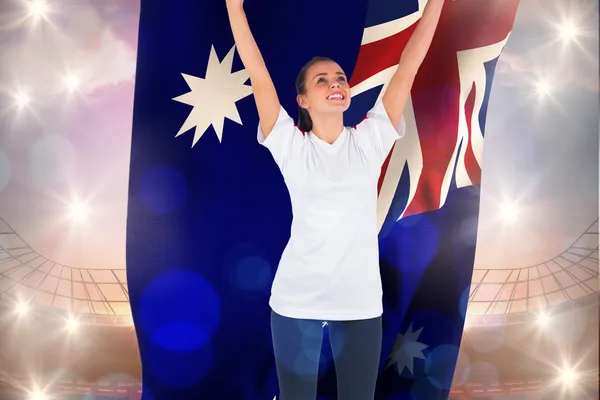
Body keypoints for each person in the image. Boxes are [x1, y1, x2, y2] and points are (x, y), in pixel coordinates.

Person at [226, 0, 444, 399]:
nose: (336, 84)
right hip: (296, 299)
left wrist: (437, 5)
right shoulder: (291, 145)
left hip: (359, 302)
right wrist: (234, 8)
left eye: (340, 78)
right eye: (322, 80)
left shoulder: (370, 139)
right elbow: (258, 77)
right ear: (303, 101)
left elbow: (408, 67)